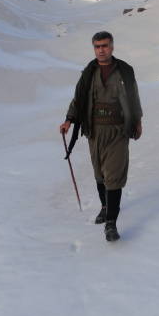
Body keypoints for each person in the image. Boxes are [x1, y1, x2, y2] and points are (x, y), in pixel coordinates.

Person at [60, 31, 143, 242]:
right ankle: (105, 207)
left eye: (105, 45)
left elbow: (134, 97)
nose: (101, 50)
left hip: (118, 130)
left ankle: (111, 223)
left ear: (112, 47)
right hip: (94, 131)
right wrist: (69, 120)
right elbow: (78, 99)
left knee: (113, 175)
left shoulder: (124, 70)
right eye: (97, 46)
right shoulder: (88, 72)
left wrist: (137, 121)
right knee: (100, 174)